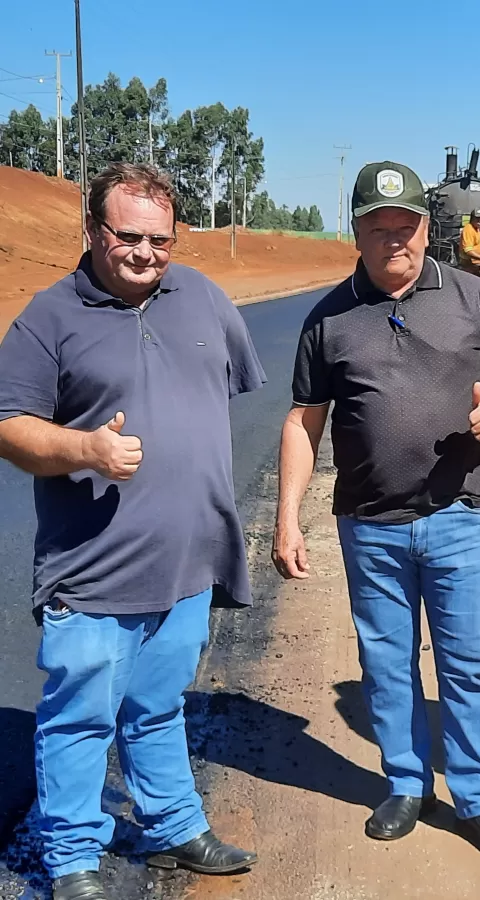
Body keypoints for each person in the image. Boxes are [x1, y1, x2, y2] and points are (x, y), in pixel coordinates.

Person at [0, 163, 264, 900]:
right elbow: (8, 425)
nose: (146, 253)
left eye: (161, 239)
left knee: (159, 707)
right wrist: (84, 448)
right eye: (128, 237)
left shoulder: (204, 298)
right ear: (92, 231)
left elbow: (224, 394)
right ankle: (73, 860)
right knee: (80, 719)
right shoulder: (49, 318)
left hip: (185, 566)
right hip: (92, 573)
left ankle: (174, 827)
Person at [272, 161, 480, 864]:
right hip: (369, 523)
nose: (395, 240)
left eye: (407, 226)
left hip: (461, 516)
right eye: (378, 227)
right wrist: (286, 517)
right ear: (356, 231)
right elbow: (304, 422)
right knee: (387, 663)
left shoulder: (474, 297)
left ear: (428, 227)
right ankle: (405, 785)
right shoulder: (328, 318)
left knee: (469, 667)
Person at [459, 208, 480, 275]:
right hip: (471, 267)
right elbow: (468, 251)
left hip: (478, 266)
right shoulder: (468, 229)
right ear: (472, 219)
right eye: (477, 218)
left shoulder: (476, 229)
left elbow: (477, 247)